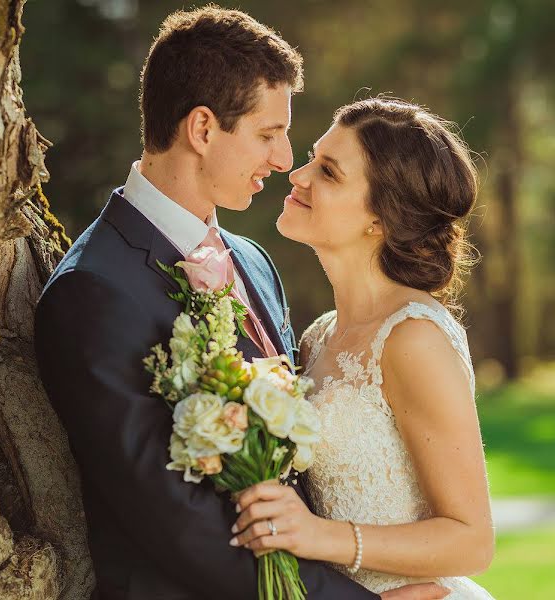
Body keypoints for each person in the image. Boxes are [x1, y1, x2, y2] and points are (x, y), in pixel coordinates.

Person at [34, 6, 449, 599]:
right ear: (202, 130)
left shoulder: (252, 259)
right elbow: (174, 522)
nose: (284, 160)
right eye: (268, 134)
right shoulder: (94, 292)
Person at [230, 98, 496, 599]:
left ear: (381, 217)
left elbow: (472, 540)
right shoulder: (317, 336)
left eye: (328, 173)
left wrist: (320, 537)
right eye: (313, 157)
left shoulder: (414, 338)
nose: (298, 175)